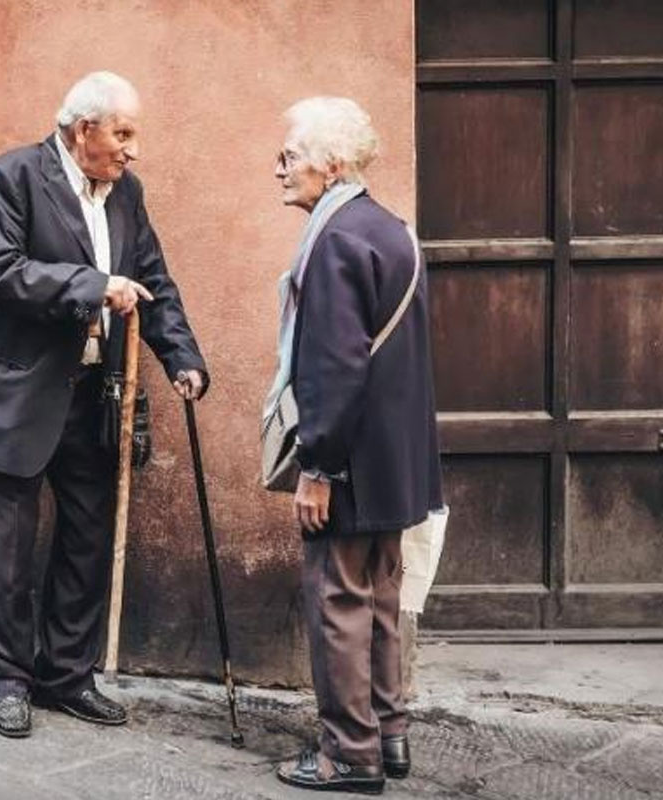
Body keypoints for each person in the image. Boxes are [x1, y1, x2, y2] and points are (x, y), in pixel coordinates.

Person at [0, 71, 208, 738]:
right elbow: (0, 273)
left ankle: (65, 675)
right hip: (14, 395)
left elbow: (152, 281)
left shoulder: (128, 194)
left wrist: (183, 359)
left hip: (93, 396)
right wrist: (93, 285)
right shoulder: (11, 178)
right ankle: (6, 680)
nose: (132, 149)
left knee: (88, 542)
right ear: (82, 128)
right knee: (6, 552)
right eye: (123, 133)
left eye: (133, 134)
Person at [266, 97, 443, 794]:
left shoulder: (336, 239)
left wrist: (318, 467)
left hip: (350, 463)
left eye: (290, 156)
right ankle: (389, 734)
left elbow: (334, 365)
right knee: (380, 598)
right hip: (395, 463)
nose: (279, 169)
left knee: (338, 600)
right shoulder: (390, 228)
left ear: (331, 164)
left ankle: (349, 754)